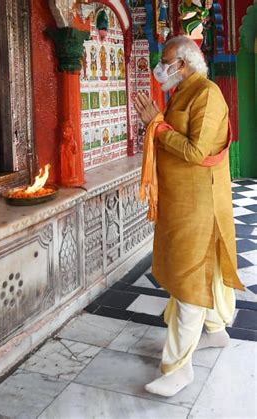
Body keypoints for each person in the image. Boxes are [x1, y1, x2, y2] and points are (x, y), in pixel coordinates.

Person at [133, 36, 244, 397]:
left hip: (200, 202)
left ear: (183, 63)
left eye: (165, 61)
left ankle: (178, 368)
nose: (159, 67)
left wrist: (158, 125)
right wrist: (159, 123)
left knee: (188, 280)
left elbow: (197, 151)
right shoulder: (183, 91)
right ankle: (214, 331)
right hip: (181, 202)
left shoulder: (207, 94)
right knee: (196, 268)